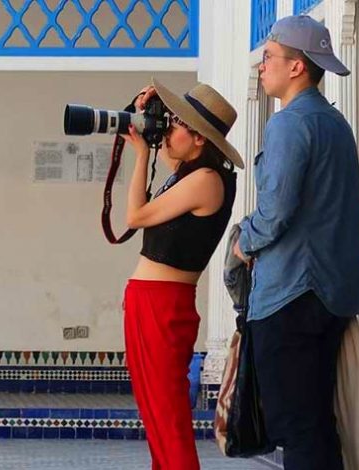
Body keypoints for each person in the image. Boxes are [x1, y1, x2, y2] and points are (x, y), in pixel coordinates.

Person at [233, 15, 359, 470]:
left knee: (297, 425)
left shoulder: (290, 124)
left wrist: (244, 241)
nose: (261, 66)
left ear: (297, 66)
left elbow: (276, 211)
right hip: (330, 293)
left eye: (269, 57)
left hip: (293, 292)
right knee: (314, 423)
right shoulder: (333, 123)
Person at [121, 79, 242, 469]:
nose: (168, 131)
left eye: (177, 125)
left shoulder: (207, 182)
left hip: (163, 306)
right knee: (156, 415)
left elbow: (135, 216)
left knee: (168, 418)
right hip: (149, 302)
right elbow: (153, 138)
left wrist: (140, 156)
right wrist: (147, 110)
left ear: (200, 139)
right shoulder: (191, 172)